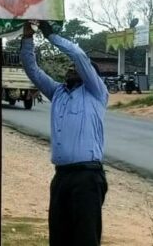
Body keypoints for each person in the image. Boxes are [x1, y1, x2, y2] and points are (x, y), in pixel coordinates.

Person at [20, 21, 108, 246]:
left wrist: (51, 36)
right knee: (59, 238)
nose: (71, 67)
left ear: (89, 74)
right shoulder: (57, 92)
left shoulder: (95, 92)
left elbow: (78, 54)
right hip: (61, 177)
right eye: (70, 66)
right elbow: (32, 69)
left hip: (88, 178)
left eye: (75, 67)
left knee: (85, 239)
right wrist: (28, 37)